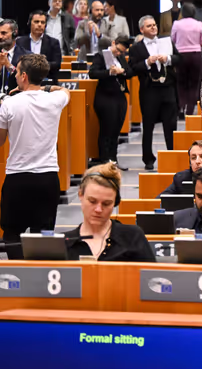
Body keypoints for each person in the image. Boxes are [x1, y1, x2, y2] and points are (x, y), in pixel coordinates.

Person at [0, 54, 69, 256]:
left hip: (17, 178)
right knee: (44, 235)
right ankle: (39, 273)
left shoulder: (9, 104)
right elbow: (65, 91)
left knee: (12, 234)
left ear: (24, 76)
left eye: (17, 72)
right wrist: (47, 88)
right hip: (47, 178)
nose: (15, 76)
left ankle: (17, 271)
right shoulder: (55, 100)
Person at [62, 163, 154, 261]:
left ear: (115, 202)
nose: (98, 209)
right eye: (92, 201)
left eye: (106, 204)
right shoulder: (62, 243)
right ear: (80, 195)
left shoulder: (133, 237)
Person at [128, 16, 180, 171]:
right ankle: (148, 159)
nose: (153, 27)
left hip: (168, 88)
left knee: (171, 124)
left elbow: (179, 58)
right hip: (149, 90)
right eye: (149, 26)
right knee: (148, 125)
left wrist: (168, 59)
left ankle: (172, 155)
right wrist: (147, 62)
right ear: (141, 29)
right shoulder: (136, 48)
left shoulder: (167, 41)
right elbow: (132, 69)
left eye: (154, 25)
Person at [89, 36, 133, 166]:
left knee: (116, 130)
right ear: (113, 43)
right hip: (105, 97)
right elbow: (93, 73)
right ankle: (104, 160)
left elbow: (130, 72)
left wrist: (122, 71)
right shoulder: (100, 56)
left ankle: (113, 160)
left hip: (119, 96)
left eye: (122, 52)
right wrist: (109, 72)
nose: (118, 53)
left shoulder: (120, 58)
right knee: (106, 130)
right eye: (118, 50)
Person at [170, 2, 202, 117]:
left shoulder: (176, 24)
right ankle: (190, 110)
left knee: (181, 82)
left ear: (182, 12)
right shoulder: (199, 24)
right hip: (195, 55)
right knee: (194, 83)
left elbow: (173, 39)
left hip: (180, 55)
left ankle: (181, 107)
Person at [16, 10, 61, 79]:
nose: (40, 25)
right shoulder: (20, 42)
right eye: (36, 22)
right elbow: (16, 61)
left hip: (46, 80)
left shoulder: (53, 42)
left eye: (42, 22)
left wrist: (37, 66)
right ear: (29, 23)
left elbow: (57, 64)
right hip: (24, 80)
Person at [0, 19, 27, 96]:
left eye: (4, 33)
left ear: (14, 33)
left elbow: (26, 81)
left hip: (17, 98)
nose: (0, 36)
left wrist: (9, 65)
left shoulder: (26, 55)